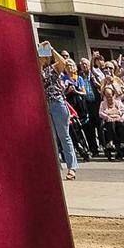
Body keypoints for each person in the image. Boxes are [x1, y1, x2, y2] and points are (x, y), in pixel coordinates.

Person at [40, 46, 78, 180]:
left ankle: (72, 168)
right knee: (51, 139)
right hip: (44, 106)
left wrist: (51, 49)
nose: (42, 58)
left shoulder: (52, 69)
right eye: (40, 55)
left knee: (64, 136)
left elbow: (63, 62)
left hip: (57, 103)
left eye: (44, 55)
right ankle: (55, 167)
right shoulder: (36, 71)